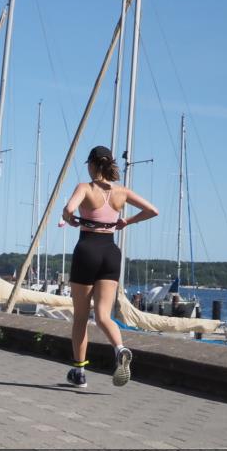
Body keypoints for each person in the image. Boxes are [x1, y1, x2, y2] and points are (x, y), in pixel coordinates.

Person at [61, 145, 158, 388]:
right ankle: (119, 348)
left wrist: (70, 220)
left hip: (87, 250)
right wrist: (126, 220)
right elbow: (152, 210)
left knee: (81, 318)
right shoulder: (121, 192)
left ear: (92, 165)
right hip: (111, 253)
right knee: (104, 314)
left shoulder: (85, 188)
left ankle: (79, 373)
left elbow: (68, 209)